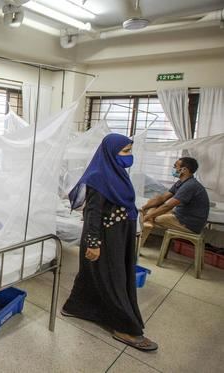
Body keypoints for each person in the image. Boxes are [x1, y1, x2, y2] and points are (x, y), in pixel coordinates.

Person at [62, 133, 158, 352]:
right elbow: (92, 213)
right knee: (114, 278)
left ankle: (76, 307)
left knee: (95, 274)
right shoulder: (98, 177)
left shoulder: (118, 174)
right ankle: (124, 326)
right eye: (125, 151)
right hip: (104, 237)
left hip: (119, 234)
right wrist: (93, 243)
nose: (129, 156)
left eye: (130, 151)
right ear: (110, 152)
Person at [139, 157, 210, 247]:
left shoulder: (190, 186)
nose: (173, 169)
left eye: (175, 166)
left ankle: (136, 247)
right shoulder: (180, 183)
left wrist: (148, 215)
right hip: (181, 215)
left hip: (189, 224)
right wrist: (144, 207)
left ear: (184, 170)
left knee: (154, 217)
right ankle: (138, 244)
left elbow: (167, 206)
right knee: (151, 207)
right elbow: (162, 198)